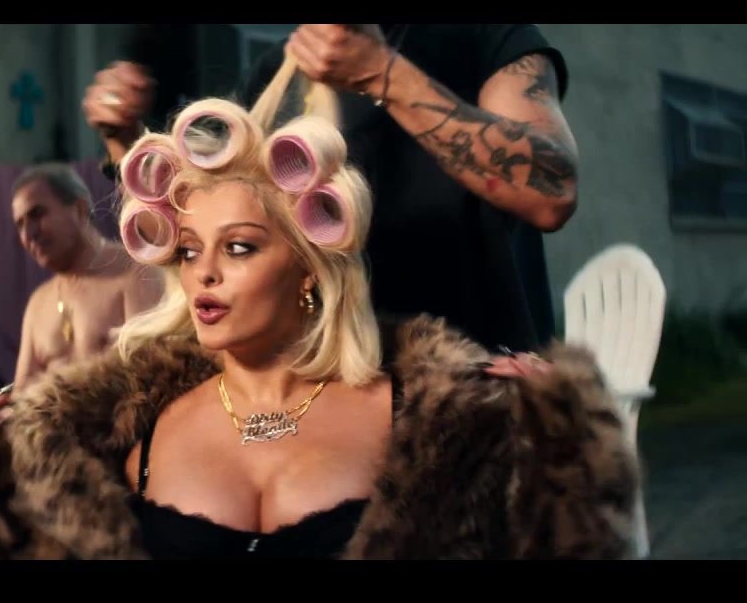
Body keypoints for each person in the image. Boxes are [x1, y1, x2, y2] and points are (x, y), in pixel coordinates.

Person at [0, 91, 639, 560]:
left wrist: (563, 453)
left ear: (308, 268)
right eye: (189, 251)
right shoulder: (126, 433)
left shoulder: (433, 420)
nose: (203, 273)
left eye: (238, 248)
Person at [85, 24, 578, 355]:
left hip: (476, 384)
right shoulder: (278, 75)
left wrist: (383, 73)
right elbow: (204, 228)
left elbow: (552, 192)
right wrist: (126, 142)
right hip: (334, 395)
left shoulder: (483, 37)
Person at [9, 163, 163, 391]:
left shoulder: (135, 272)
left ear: (79, 210)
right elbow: (21, 395)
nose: (29, 234)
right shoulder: (37, 303)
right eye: (20, 224)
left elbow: (154, 378)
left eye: (37, 215)